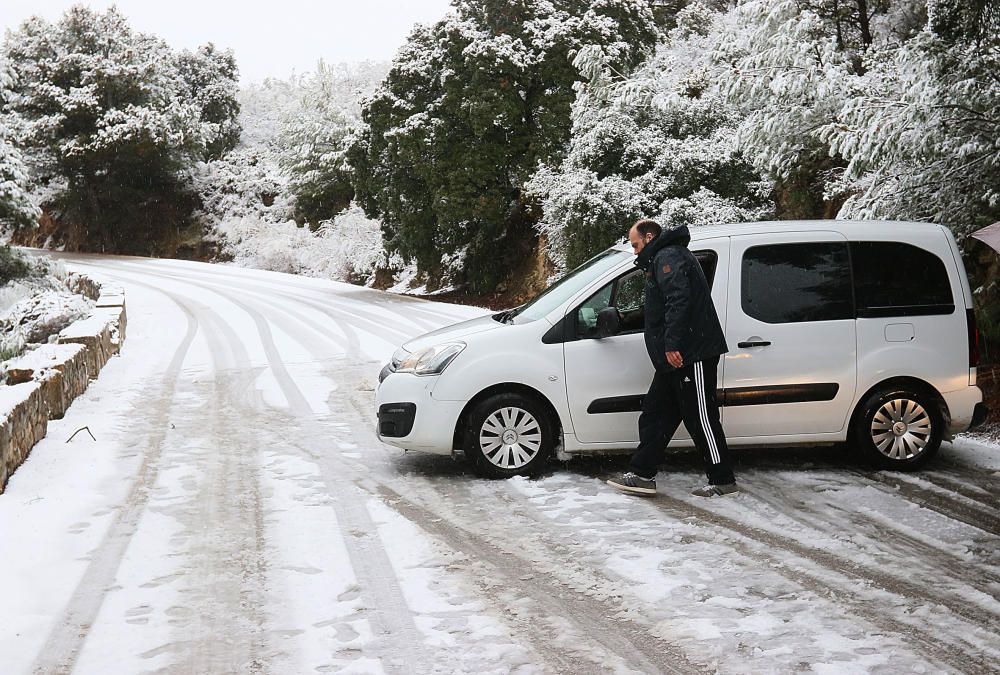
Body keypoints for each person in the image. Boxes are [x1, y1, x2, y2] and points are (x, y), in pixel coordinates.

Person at [607, 219, 738, 498]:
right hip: (674, 357)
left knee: (701, 417)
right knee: (656, 414)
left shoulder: (668, 256)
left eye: (636, 245)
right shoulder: (662, 258)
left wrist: (672, 344)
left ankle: (722, 480)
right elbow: (660, 306)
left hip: (692, 354)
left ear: (650, 236)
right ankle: (642, 473)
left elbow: (679, 299)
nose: (635, 252)